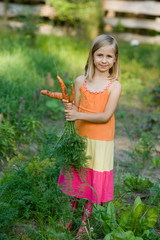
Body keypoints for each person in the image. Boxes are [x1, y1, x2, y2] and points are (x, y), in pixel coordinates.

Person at [58, 34, 122, 239]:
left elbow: (105, 116)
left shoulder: (114, 86)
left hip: (101, 140)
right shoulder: (80, 81)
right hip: (80, 138)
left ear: (115, 60)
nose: (104, 60)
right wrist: (70, 109)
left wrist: (77, 114)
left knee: (93, 181)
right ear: (92, 56)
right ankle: (70, 218)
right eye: (99, 55)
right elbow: (75, 110)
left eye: (109, 56)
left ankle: (85, 225)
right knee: (77, 176)